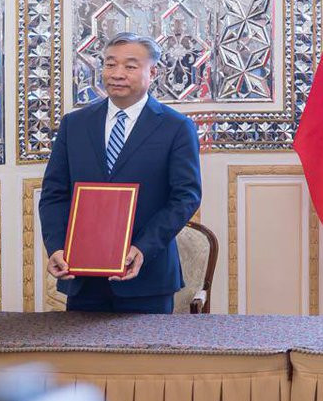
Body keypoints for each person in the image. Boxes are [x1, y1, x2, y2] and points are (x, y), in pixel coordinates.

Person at [39, 33, 203, 314]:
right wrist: (55, 247)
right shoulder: (74, 124)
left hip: (146, 276)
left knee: (145, 346)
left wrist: (143, 248)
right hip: (82, 277)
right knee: (80, 345)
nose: (117, 74)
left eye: (130, 66)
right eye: (110, 64)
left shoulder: (176, 127)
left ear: (153, 72)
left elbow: (185, 197)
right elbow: (54, 194)